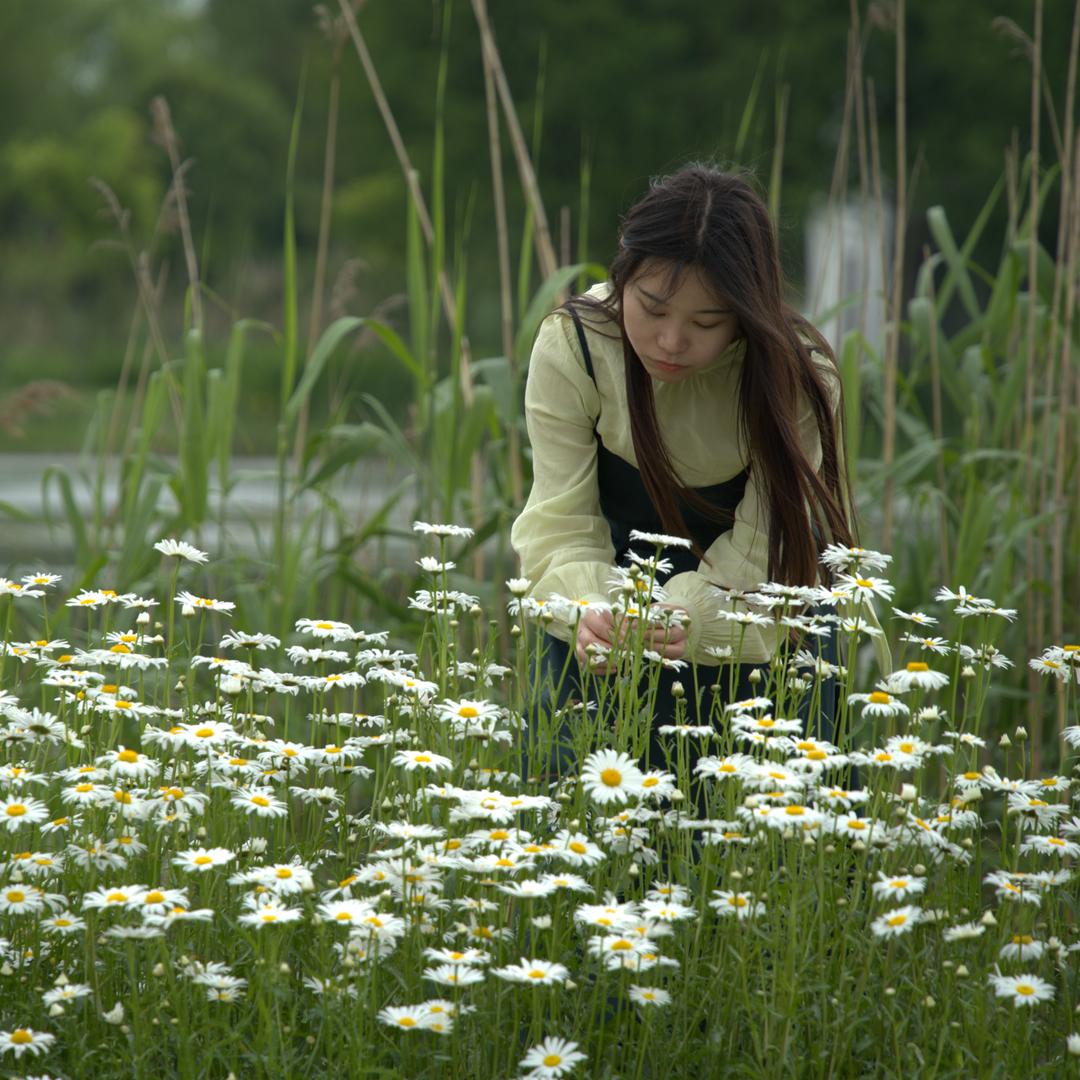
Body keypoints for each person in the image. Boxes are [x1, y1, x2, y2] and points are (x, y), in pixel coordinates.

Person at [511, 163, 881, 786]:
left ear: (746, 315)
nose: (671, 340)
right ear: (622, 276)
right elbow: (560, 520)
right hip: (609, 614)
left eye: (706, 323)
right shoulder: (574, 345)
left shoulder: (795, 374)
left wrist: (691, 619)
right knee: (581, 823)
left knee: (765, 833)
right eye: (652, 309)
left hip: (759, 607)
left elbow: (767, 543)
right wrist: (591, 608)